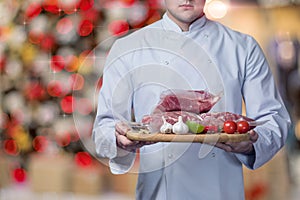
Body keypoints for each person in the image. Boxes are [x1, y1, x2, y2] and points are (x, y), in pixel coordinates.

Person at [92, 0, 291, 199]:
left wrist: (249, 144)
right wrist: (119, 140)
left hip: (222, 191)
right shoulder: (128, 47)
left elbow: (274, 119)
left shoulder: (243, 47)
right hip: (158, 193)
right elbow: (104, 128)